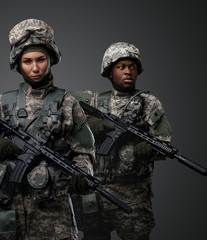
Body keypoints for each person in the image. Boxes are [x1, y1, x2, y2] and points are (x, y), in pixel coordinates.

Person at [0, 19, 95, 240]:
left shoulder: (68, 104)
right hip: (4, 212)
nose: (35, 68)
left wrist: (82, 173)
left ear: (51, 59)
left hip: (51, 215)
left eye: (41, 59)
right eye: (27, 61)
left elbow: (85, 151)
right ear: (18, 63)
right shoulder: (3, 102)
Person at [69, 42, 172, 240]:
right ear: (109, 71)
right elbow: (62, 106)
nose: (128, 72)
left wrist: (143, 148)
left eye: (132, 67)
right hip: (94, 190)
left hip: (131, 191)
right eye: (121, 67)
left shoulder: (147, 103)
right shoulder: (94, 101)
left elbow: (163, 144)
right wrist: (90, 125)